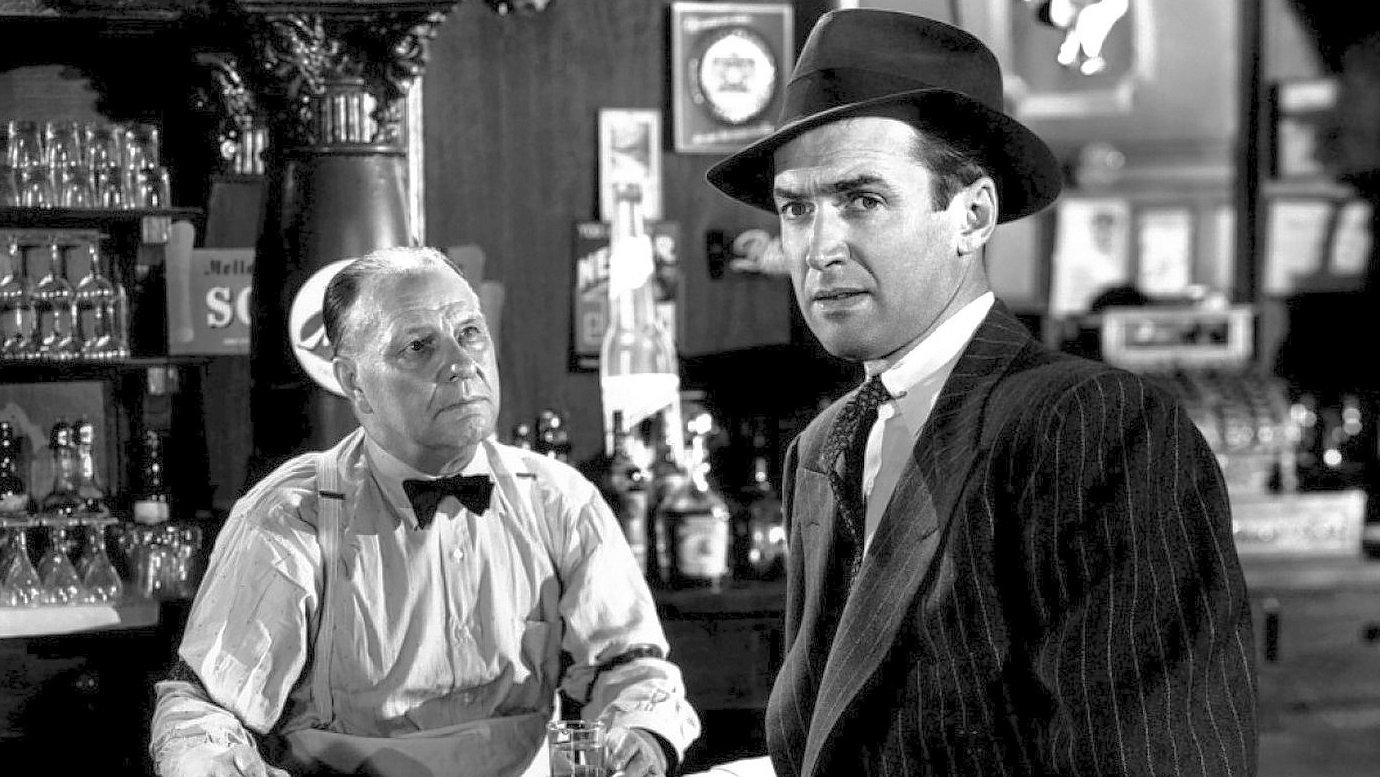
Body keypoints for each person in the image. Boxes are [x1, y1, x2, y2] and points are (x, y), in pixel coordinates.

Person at [692, 9, 1255, 777]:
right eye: (797, 208)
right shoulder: (822, 450)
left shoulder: (1091, 427)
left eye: (862, 200)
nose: (819, 248)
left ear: (973, 215)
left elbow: (1156, 758)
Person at [150, 246, 700, 777]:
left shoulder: (558, 499)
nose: (462, 364)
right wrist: (212, 761)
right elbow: (202, 708)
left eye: (470, 333)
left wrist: (641, 734)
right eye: (419, 346)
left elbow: (629, 666)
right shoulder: (292, 516)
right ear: (354, 383)